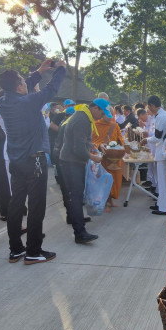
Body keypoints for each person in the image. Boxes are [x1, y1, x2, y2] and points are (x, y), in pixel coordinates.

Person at [0, 60, 66, 264]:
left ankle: (15, 249)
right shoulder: (28, 102)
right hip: (34, 160)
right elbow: (51, 89)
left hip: (16, 160)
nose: (25, 83)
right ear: (19, 86)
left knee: (16, 203)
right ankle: (33, 250)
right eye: (22, 81)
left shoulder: (3, 101)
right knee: (36, 206)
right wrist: (61, 69)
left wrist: (38, 72)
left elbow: (18, 87)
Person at [59, 98, 111, 244]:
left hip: (71, 160)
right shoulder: (82, 120)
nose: (101, 117)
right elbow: (78, 149)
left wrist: (90, 145)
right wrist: (94, 157)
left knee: (74, 195)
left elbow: (79, 141)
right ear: (95, 108)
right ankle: (80, 233)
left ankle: (75, 220)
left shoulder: (83, 115)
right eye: (102, 113)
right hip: (72, 162)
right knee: (76, 196)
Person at [91, 103, 125, 212]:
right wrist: (100, 145)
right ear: (102, 113)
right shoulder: (95, 125)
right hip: (102, 158)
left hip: (114, 157)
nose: (110, 116)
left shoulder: (115, 125)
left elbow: (120, 139)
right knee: (103, 180)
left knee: (114, 179)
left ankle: (110, 199)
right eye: (108, 114)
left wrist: (119, 146)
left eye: (112, 114)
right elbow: (92, 141)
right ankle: (104, 203)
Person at [146, 95, 166, 215]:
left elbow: (157, 137)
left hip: (162, 151)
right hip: (163, 150)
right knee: (162, 181)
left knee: (163, 182)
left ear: (152, 105)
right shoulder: (164, 115)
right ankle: (161, 204)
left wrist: (146, 140)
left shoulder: (161, 117)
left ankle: (164, 207)